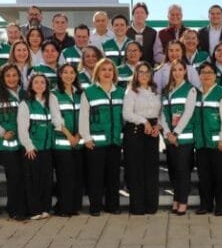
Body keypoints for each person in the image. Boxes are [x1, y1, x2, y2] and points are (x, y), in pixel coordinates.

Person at [79, 58, 125, 216]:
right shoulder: (89, 92)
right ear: (97, 73)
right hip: (95, 142)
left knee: (113, 176)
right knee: (95, 176)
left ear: (114, 73)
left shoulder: (121, 92)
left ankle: (113, 206)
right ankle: (95, 207)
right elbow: (83, 116)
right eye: (103, 69)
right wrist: (86, 138)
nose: (107, 72)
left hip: (114, 141)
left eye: (110, 70)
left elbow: (124, 116)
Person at [0, 64, 26, 221]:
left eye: (14, 75)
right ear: (2, 78)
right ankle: (15, 210)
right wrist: (2, 132)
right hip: (4, 142)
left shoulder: (25, 94)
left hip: (22, 141)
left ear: (19, 77)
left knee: (21, 174)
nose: (12, 78)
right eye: (8, 76)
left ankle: (19, 206)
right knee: (14, 174)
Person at [123, 62, 162, 215]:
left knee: (151, 169)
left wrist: (159, 125)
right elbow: (127, 114)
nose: (144, 75)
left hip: (152, 132)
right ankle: (137, 206)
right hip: (135, 131)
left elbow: (161, 111)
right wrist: (144, 121)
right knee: (136, 169)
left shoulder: (156, 91)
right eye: (141, 72)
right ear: (136, 75)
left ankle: (151, 206)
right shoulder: (131, 91)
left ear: (151, 74)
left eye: (147, 72)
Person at [194, 62, 222, 216]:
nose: (206, 75)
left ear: (215, 75)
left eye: (210, 72)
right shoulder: (195, 93)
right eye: (203, 72)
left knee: (220, 176)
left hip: (218, 144)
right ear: (199, 75)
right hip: (201, 143)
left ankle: (221, 205)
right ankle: (206, 205)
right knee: (204, 177)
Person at [160, 60, 198, 215]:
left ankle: (183, 201)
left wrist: (176, 133)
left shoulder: (191, 90)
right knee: (173, 171)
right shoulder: (166, 90)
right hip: (169, 138)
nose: (177, 72)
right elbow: (162, 114)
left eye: (180, 69)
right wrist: (167, 133)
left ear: (185, 71)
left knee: (183, 171)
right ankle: (176, 198)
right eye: (174, 70)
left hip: (184, 138)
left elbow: (188, 113)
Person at [18, 73, 56, 220]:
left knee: (46, 180)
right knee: (32, 181)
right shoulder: (26, 104)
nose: (40, 85)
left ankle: (45, 208)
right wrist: (29, 146)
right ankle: (34, 210)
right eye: (36, 82)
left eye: (42, 82)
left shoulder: (49, 102)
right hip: (32, 149)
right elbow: (22, 128)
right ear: (31, 86)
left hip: (47, 148)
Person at [50, 63, 84, 216]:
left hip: (78, 143)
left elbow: (85, 116)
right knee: (65, 177)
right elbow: (56, 119)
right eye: (65, 72)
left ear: (76, 75)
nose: (69, 75)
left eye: (72, 72)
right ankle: (63, 208)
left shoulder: (80, 94)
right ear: (60, 74)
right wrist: (70, 136)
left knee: (77, 176)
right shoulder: (54, 94)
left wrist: (79, 136)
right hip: (62, 143)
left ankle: (74, 207)